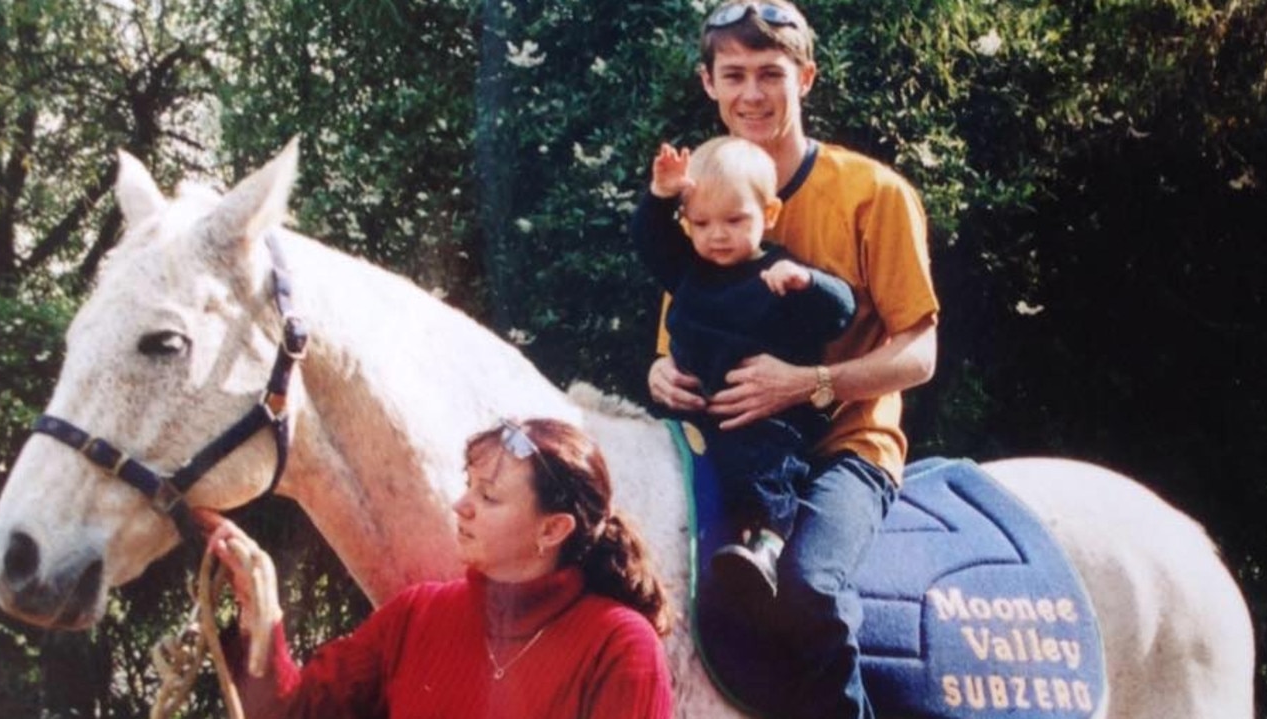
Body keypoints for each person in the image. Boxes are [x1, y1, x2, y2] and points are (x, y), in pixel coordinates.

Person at [644, 2, 939, 717]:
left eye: (770, 73)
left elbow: (921, 352)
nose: (752, 93)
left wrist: (813, 382)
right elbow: (674, 337)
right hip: (724, 447)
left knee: (807, 587)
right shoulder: (698, 197)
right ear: (707, 83)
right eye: (733, 74)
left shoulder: (875, 194)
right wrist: (659, 374)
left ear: (804, 77)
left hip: (845, 446)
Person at [205, 418, 675, 719]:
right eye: (468, 486)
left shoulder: (620, 645)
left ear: (553, 530)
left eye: (488, 497)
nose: (460, 506)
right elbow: (293, 715)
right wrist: (260, 621)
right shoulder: (418, 615)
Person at [631, 135, 856, 603]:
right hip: (694, 412)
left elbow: (841, 311)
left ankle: (766, 548)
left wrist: (808, 282)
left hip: (763, 419)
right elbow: (648, 240)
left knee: (761, 470)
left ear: (768, 215)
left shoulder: (778, 275)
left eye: (735, 220)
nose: (717, 235)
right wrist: (661, 193)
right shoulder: (688, 269)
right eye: (701, 222)